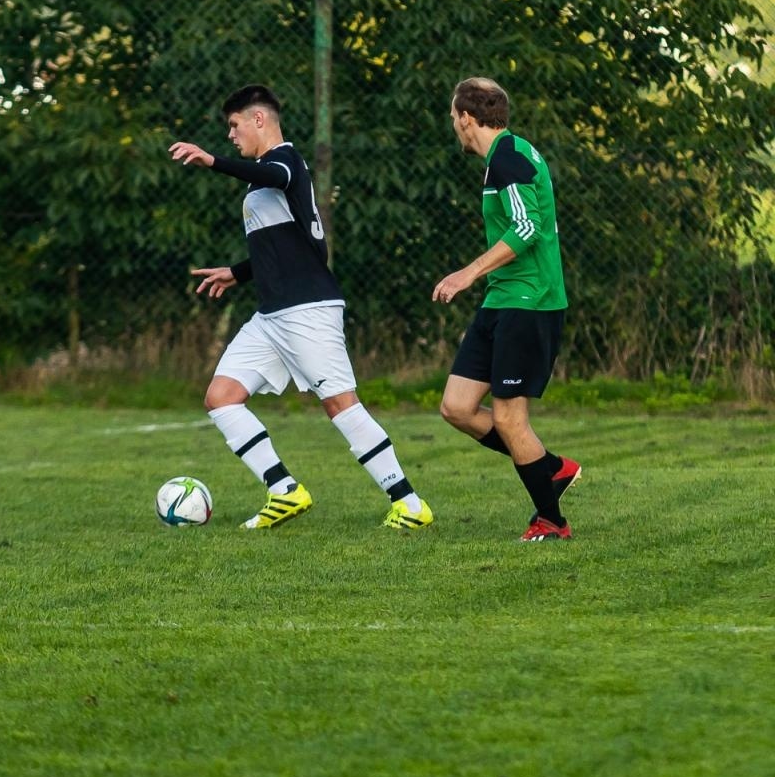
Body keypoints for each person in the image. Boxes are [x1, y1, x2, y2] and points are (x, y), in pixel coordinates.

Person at [170, 85, 433, 531]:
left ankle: (409, 504)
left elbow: (277, 180)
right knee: (221, 397)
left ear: (258, 120)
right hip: (272, 315)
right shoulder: (264, 176)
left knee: (341, 405)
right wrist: (238, 272)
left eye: (234, 125)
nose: (230, 135)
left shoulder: (286, 161)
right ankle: (284, 491)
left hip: (308, 310)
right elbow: (294, 247)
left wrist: (212, 161)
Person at [433, 77, 581, 542]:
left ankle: (551, 521)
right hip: (502, 299)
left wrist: (468, 272)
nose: (453, 125)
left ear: (466, 118)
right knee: (457, 407)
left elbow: (527, 227)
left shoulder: (509, 158)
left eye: (453, 117)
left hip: (529, 301)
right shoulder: (503, 156)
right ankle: (550, 467)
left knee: (509, 419)